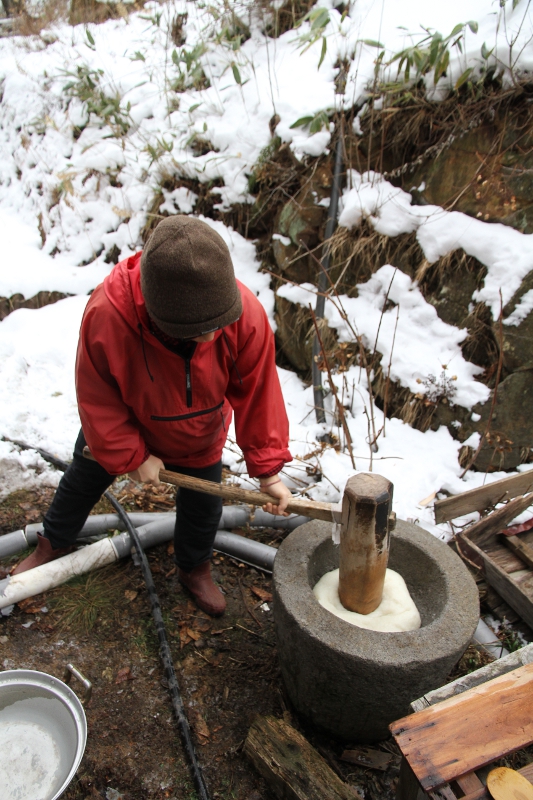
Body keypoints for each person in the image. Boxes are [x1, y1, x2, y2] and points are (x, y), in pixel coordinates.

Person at [13, 216, 293, 616]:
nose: (214, 337)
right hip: (128, 424)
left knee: (202, 509)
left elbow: (259, 393)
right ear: (164, 319)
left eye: (220, 324)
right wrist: (132, 457)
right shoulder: (110, 315)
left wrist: (269, 471)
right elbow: (98, 398)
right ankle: (52, 543)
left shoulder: (242, 314)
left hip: (200, 434)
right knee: (82, 480)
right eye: (200, 331)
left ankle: (193, 567)